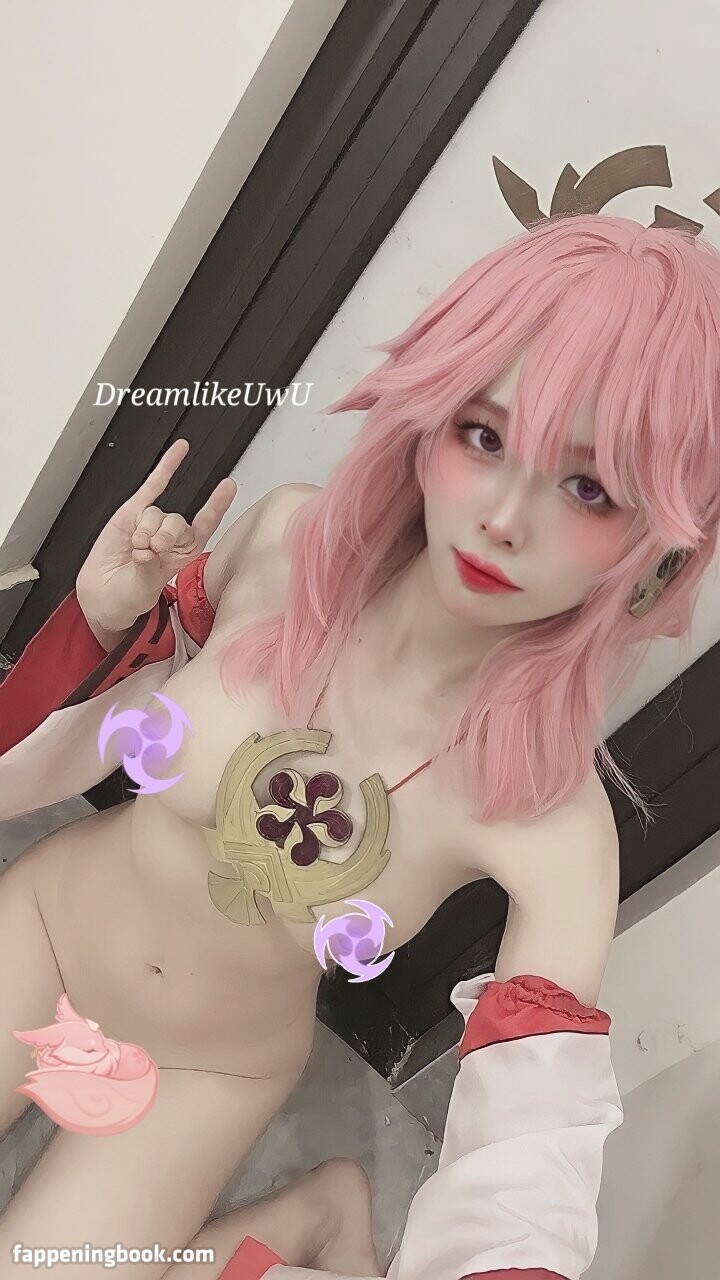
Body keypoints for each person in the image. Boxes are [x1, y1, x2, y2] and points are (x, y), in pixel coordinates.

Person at [1, 213, 718, 1279]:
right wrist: (106, 620)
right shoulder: (288, 539)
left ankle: (312, 1214)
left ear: (657, 549)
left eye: (588, 487)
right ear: (432, 420)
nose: (502, 517)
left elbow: (531, 1150)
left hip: (210, 1066)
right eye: (485, 436)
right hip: (47, 924)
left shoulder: (552, 824)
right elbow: (70, 719)